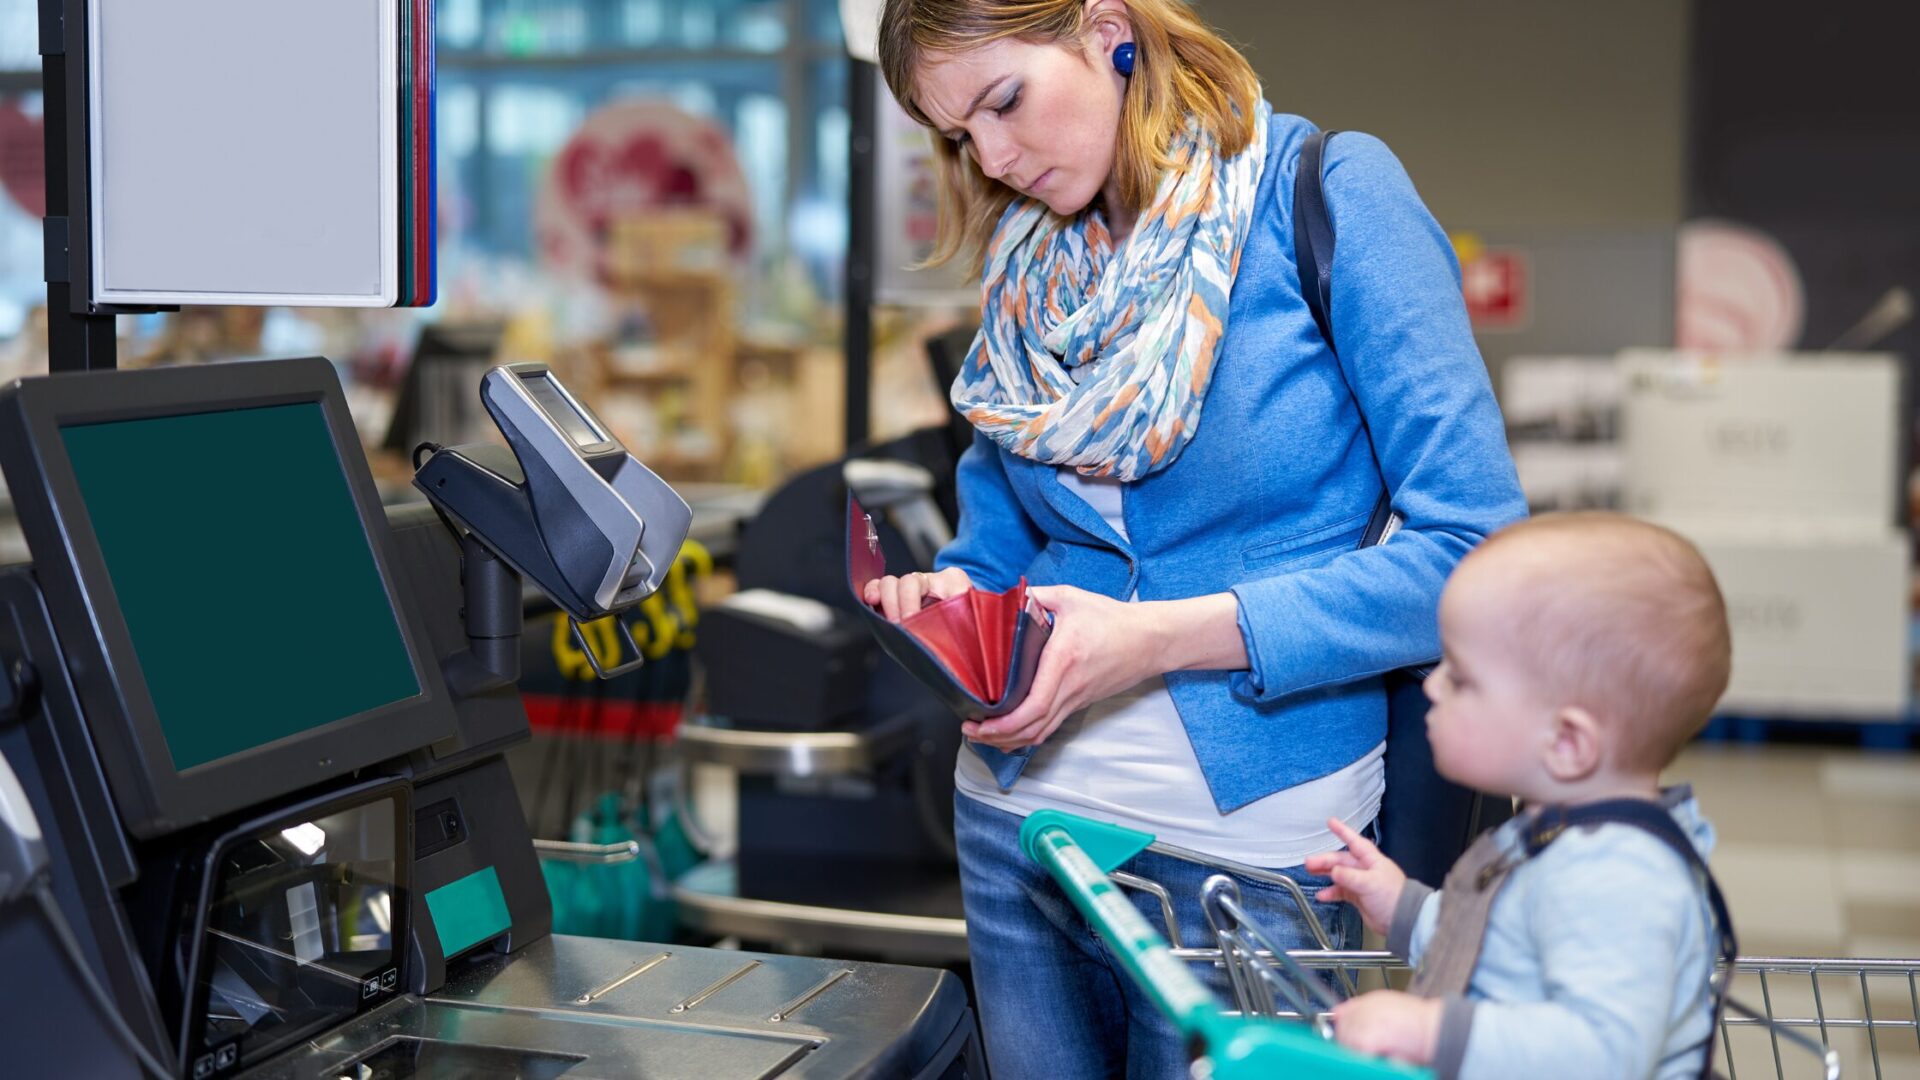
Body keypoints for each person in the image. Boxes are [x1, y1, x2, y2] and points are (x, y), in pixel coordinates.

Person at [867, 0, 1527, 1074]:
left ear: (1105, 30)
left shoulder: (1323, 196)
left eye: (1004, 101)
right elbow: (992, 551)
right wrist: (944, 612)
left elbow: (1475, 554)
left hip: (1252, 858)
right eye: (955, 136)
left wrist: (1159, 637)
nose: (989, 156)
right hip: (1018, 825)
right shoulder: (1025, 273)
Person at [1308, 514, 1732, 1079]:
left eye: (1461, 677)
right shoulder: (1558, 829)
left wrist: (1428, 1031)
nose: (1432, 686)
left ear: (1567, 742)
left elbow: (1604, 1055)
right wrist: (1406, 909)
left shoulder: (1615, 875)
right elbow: (1507, 940)